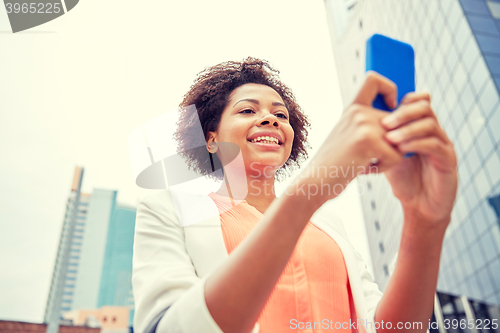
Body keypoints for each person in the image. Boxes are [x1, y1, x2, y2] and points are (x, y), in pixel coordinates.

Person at [132, 57, 458, 333]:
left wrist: (424, 221)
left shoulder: (327, 226)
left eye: (281, 115)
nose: (271, 118)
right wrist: (306, 193)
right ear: (211, 139)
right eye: (247, 111)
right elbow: (168, 326)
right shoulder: (168, 209)